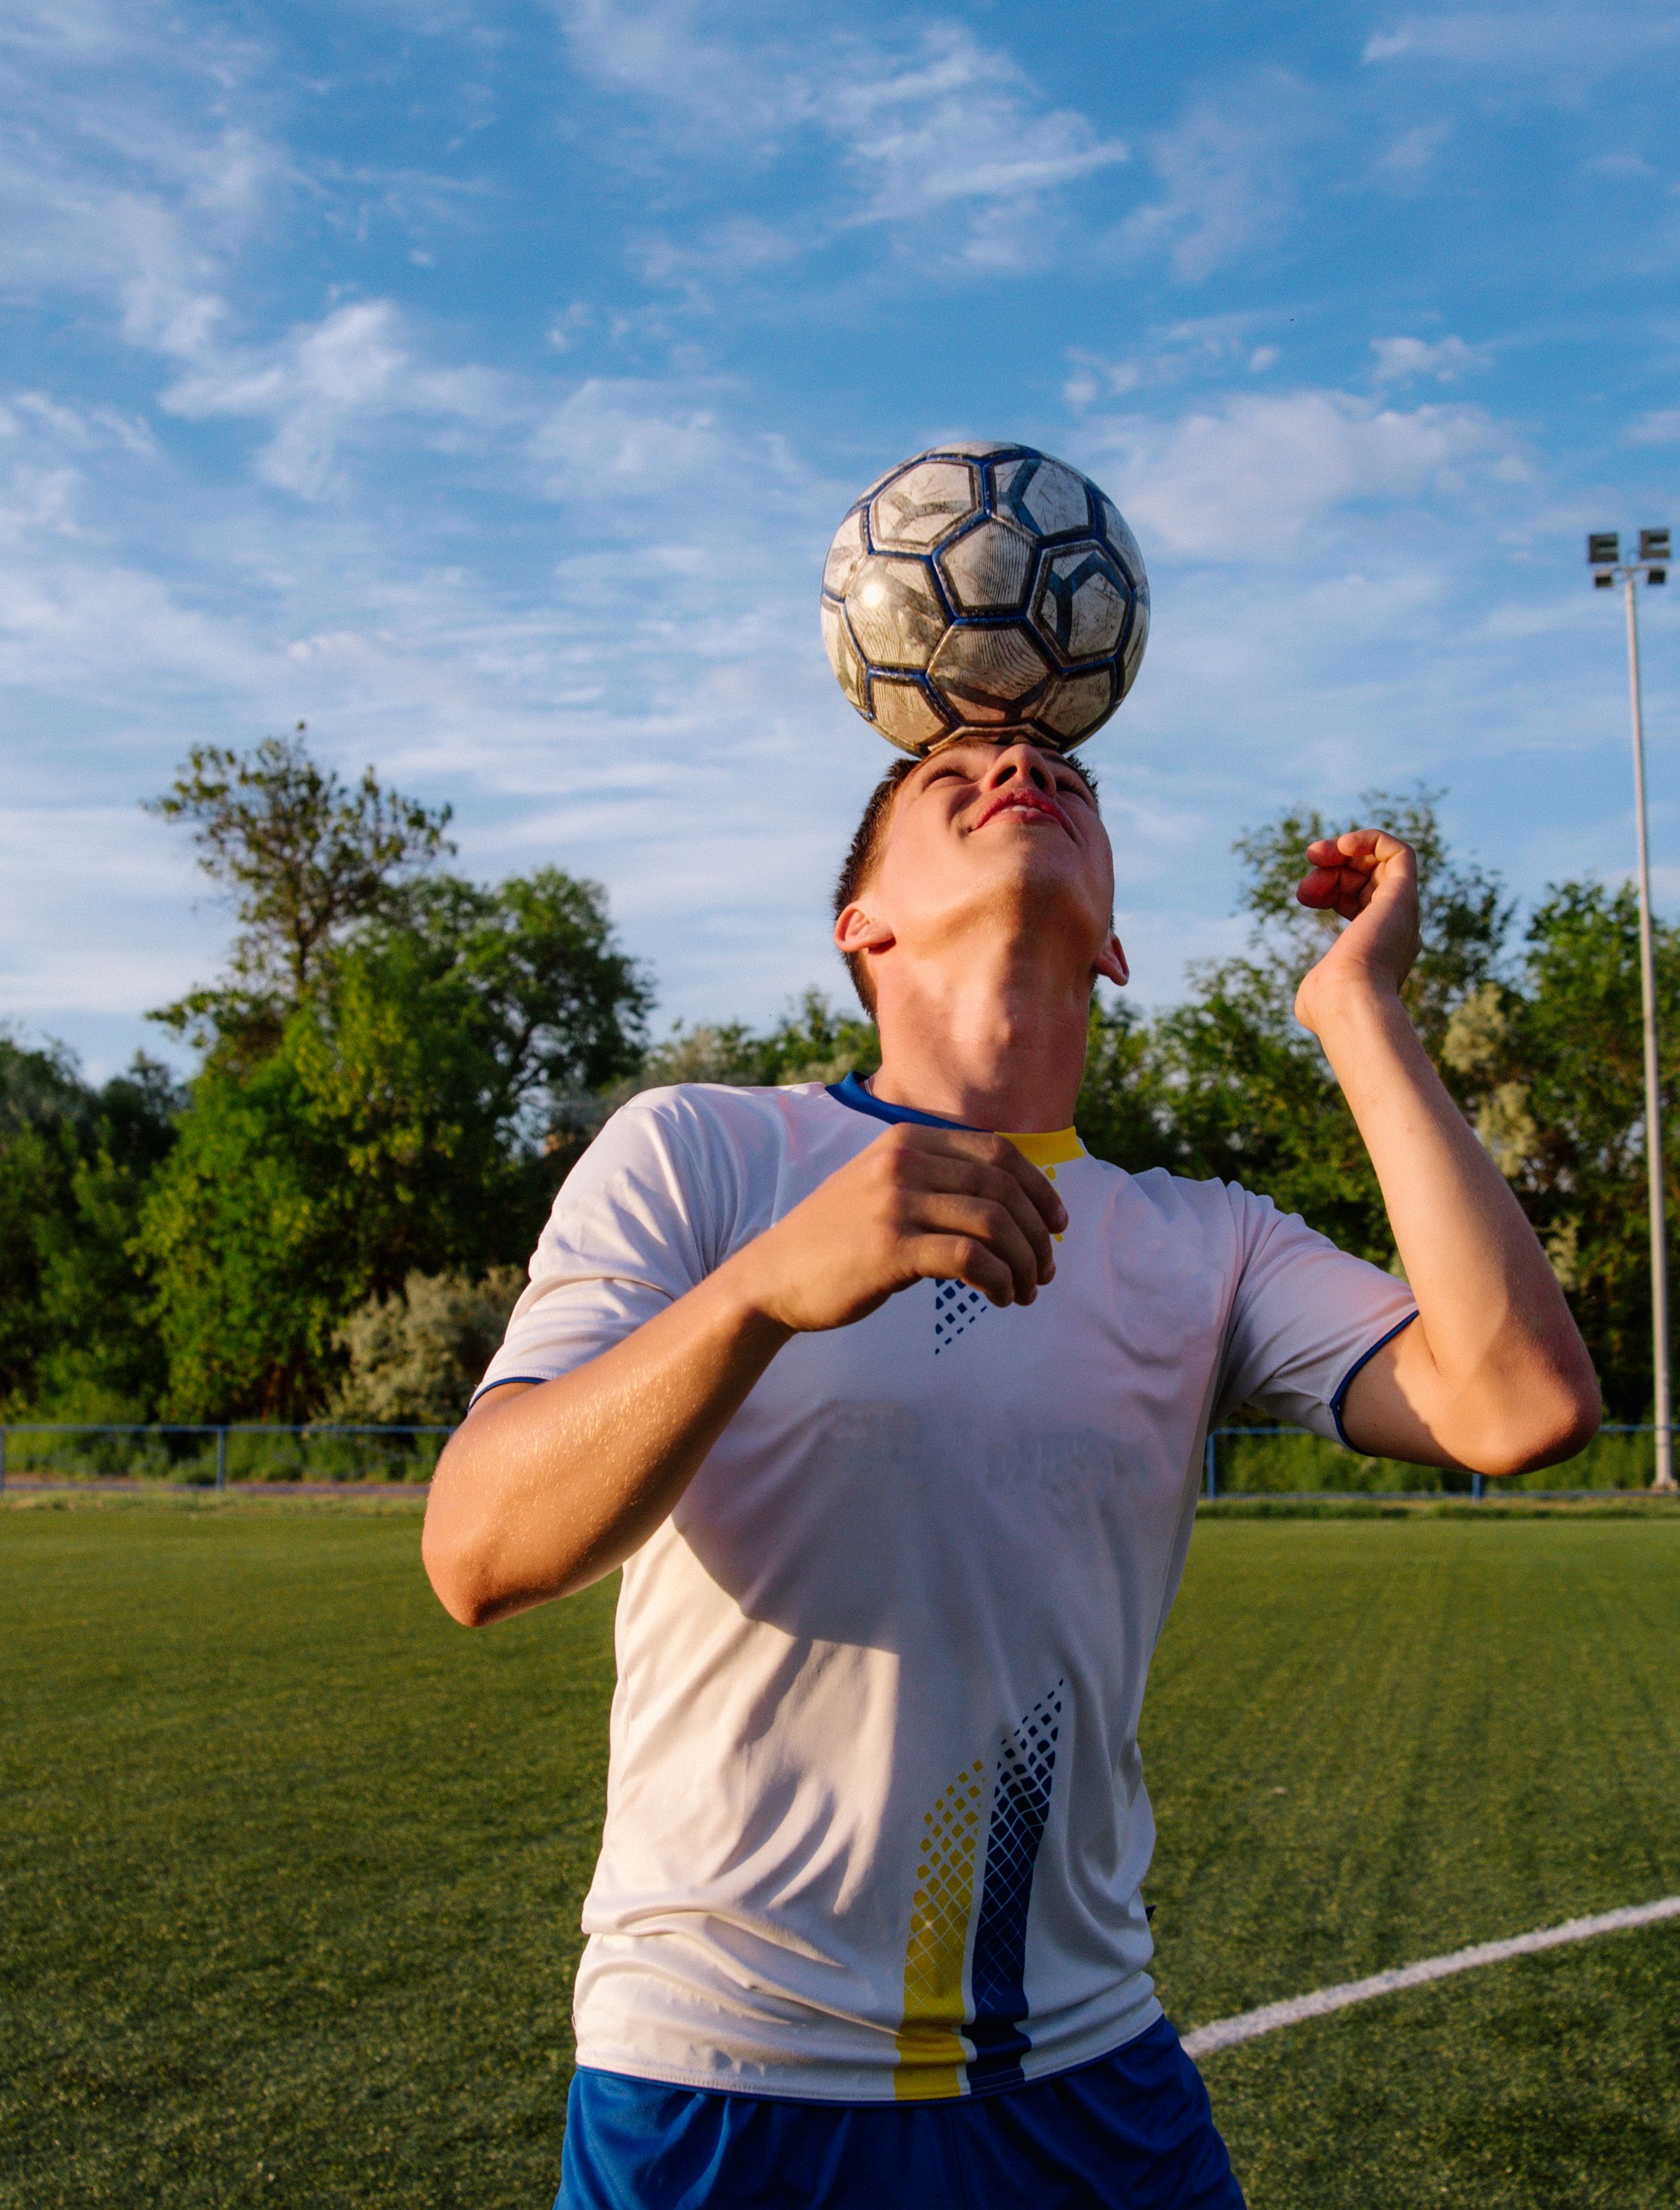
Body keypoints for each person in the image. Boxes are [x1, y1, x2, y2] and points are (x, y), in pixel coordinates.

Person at [424, 734, 1601, 2209]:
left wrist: (1357, 1013)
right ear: (862, 926)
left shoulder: (1203, 1242)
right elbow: (477, 1548)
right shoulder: (704, 1157)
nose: (1021, 768)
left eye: (1065, 774)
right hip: (725, 2080)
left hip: (1090, 2077)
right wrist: (764, 1289)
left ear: (1111, 941)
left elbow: (1520, 1399)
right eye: (949, 779)